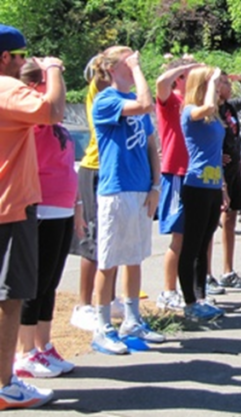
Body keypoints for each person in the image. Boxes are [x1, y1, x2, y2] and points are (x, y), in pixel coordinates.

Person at [0, 24, 65, 409]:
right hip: (10, 207)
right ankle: (6, 384)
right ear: (6, 57)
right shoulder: (6, 88)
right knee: (10, 298)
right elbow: (53, 111)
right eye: (22, 55)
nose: (28, 62)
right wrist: (54, 68)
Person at [90, 46, 165, 355]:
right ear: (112, 67)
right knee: (108, 261)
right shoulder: (106, 99)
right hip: (116, 189)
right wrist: (137, 70)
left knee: (134, 257)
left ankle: (132, 321)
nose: (135, 63)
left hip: (139, 189)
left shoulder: (133, 102)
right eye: (127, 59)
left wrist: (156, 185)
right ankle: (102, 325)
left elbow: (151, 144)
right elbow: (148, 104)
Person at [13, 62, 80, 379]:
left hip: (62, 207)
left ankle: (43, 344)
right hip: (40, 207)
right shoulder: (33, 108)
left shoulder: (51, 117)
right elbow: (52, 105)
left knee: (50, 283)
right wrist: (51, 69)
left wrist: (77, 206)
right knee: (34, 284)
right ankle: (25, 351)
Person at [154, 58, 216, 313]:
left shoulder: (194, 104)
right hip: (177, 172)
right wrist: (182, 68)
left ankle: (196, 290)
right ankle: (168, 291)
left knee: (199, 237)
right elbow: (161, 83)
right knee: (179, 236)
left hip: (199, 177)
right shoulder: (172, 100)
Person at [176, 65, 229, 321]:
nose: (219, 87)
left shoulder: (214, 116)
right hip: (195, 186)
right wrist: (211, 82)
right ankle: (189, 302)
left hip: (212, 185)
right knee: (192, 245)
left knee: (204, 245)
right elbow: (206, 108)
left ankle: (201, 297)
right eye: (214, 84)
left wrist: (223, 186)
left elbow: (216, 154)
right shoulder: (190, 112)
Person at [69, 56, 112, 331]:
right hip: (94, 168)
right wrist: (105, 62)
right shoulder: (98, 92)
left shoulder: (121, 96)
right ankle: (83, 304)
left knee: (111, 241)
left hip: (112, 172)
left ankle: (106, 298)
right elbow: (98, 76)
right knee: (92, 242)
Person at [215, 72, 241, 289]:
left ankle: (227, 270)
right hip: (216, 171)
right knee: (211, 224)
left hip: (233, 169)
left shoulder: (229, 106)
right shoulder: (210, 110)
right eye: (224, 83)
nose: (228, 86)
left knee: (229, 219)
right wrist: (215, 154)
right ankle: (206, 275)